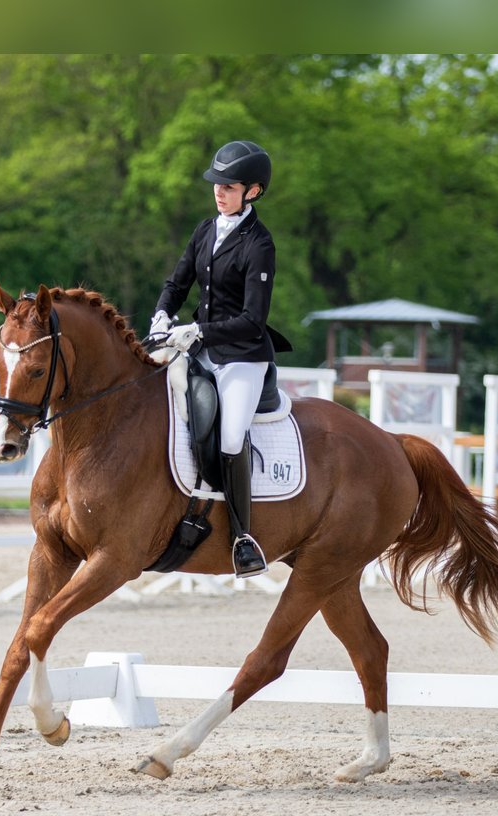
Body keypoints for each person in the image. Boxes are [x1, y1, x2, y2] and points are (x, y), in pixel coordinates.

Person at [149, 139, 292, 578]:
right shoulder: (205, 230)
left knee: (231, 437)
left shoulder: (259, 245)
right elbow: (178, 282)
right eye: (217, 185)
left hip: (243, 358)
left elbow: (253, 320)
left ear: (253, 191)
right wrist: (162, 312)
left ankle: (243, 538)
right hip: (199, 348)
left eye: (229, 187)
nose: (219, 192)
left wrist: (200, 331)